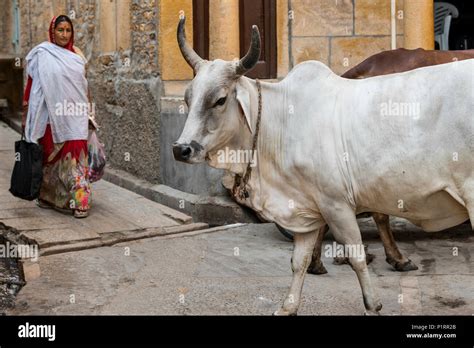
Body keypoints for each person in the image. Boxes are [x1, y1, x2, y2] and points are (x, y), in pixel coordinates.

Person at [22, 15, 95, 218]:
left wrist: (89, 110)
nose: (64, 34)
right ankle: (49, 197)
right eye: (60, 30)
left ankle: (80, 200)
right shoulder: (42, 53)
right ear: (52, 32)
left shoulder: (77, 55)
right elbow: (32, 85)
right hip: (48, 116)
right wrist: (26, 113)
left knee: (75, 158)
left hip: (74, 115)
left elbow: (84, 85)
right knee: (49, 157)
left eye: (68, 30)